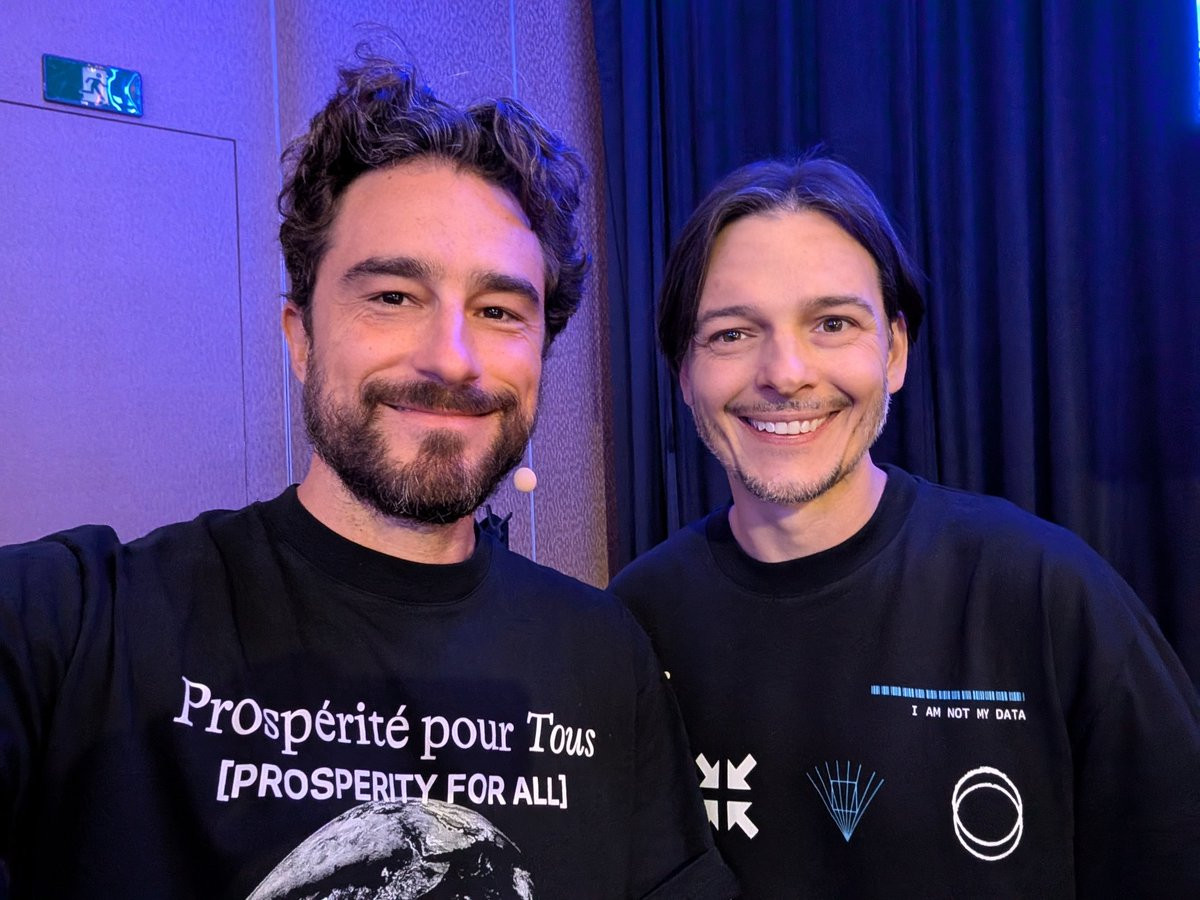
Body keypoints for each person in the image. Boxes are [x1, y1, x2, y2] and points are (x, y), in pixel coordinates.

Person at [0, 59, 734, 899]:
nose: (450, 358)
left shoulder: (604, 655)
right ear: (300, 336)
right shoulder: (84, 628)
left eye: (498, 311)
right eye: (391, 296)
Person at [609, 156, 1200, 898]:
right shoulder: (635, 624)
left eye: (833, 324)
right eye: (732, 334)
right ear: (683, 371)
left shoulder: (1044, 593)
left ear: (894, 351)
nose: (785, 373)